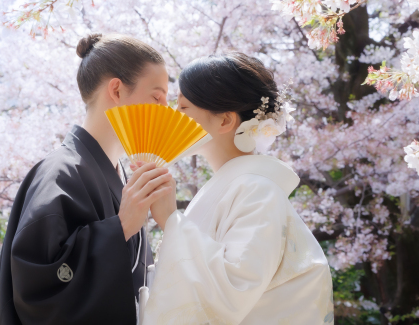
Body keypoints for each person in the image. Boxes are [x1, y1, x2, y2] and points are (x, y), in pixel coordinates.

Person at [0, 33, 176, 325]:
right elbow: (36, 288)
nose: (166, 110)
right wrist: (120, 227)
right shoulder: (60, 173)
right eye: (157, 96)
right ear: (116, 90)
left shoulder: (122, 176)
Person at [139, 52, 334, 325]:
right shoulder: (241, 187)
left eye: (183, 108)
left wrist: (171, 220)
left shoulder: (257, 191)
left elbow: (235, 288)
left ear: (224, 121)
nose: (172, 116)